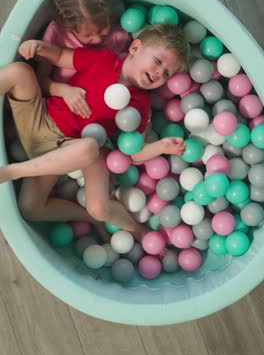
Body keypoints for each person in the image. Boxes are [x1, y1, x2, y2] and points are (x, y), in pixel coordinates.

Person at [0, 23, 189, 241]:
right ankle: (13, 172)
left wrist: (162, 146)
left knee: (32, 208)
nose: (158, 73)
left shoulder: (140, 104)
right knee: (19, 71)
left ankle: (128, 226)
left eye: (166, 73)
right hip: (38, 116)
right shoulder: (104, 60)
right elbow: (61, 55)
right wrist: (40, 48)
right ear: (135, 48)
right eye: (157, 62)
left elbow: (134, 153)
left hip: (59, 151)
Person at [38, 0, 131, 119]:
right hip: (62, 109)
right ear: (68, 27)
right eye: (88, 35)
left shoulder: (119, 37)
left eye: (102, 29)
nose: (98, 38)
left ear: (108, 14)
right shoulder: (57, 33)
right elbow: (41, 80)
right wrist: (64, 91)